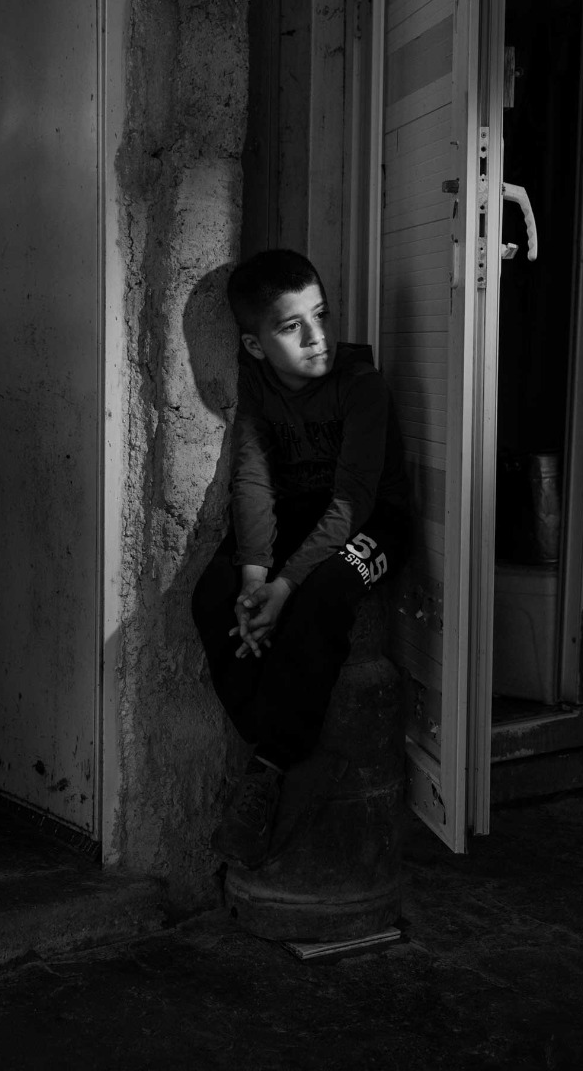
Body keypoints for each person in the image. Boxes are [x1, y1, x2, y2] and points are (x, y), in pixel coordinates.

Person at [191, 249, 411, 868]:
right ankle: (275, 733)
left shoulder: (361, 387)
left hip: (371, 523)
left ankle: (271, 764)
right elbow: (254, 481)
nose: (318, 337)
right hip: (296, 517)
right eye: (293, 327)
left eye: (321, 315)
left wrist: (285, 587)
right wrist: (255, 577)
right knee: (213, 596)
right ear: (256, 346)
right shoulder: (256, 385)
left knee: (322, 597)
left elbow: (352, 500)